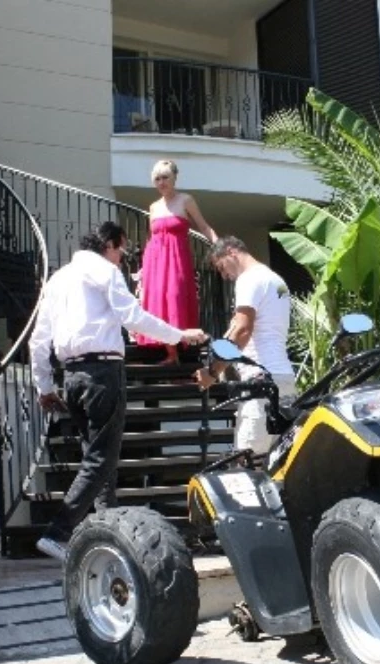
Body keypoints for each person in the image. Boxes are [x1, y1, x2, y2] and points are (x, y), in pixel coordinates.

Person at [30, 222, 207, 560]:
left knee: (99, 461)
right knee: (101, 460)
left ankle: (105, 533)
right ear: (110, 244)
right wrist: (179, 335)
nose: (122, 259)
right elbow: (133, 316)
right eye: (122, 251)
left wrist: (44, 386)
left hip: (72, 377)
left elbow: (39, 339)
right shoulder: (105, 272)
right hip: (103, 374)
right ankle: (59, 532)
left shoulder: (57, 278)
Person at [195, 237, 295, 456]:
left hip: (261, 383)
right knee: (279, 462)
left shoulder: (248, 279)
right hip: (284, 378)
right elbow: (240, 326)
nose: (224, 276)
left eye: (221, 267)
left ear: (231, 252)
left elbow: (242, 331)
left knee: (247, 461)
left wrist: (213, 371)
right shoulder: (275, 279)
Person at [135, 160, 216, 365]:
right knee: (158, 301)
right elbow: (150, 238)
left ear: (174, 178)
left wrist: (219, 245)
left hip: (177, 259)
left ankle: (180, 348)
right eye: (157, 178)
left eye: (165, 177)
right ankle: (170, 352)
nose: (161, 182)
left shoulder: (186, 200)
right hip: (156, 259)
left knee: (175, 297)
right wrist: (145, 267)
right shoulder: (153, 207)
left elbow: (204, 227)